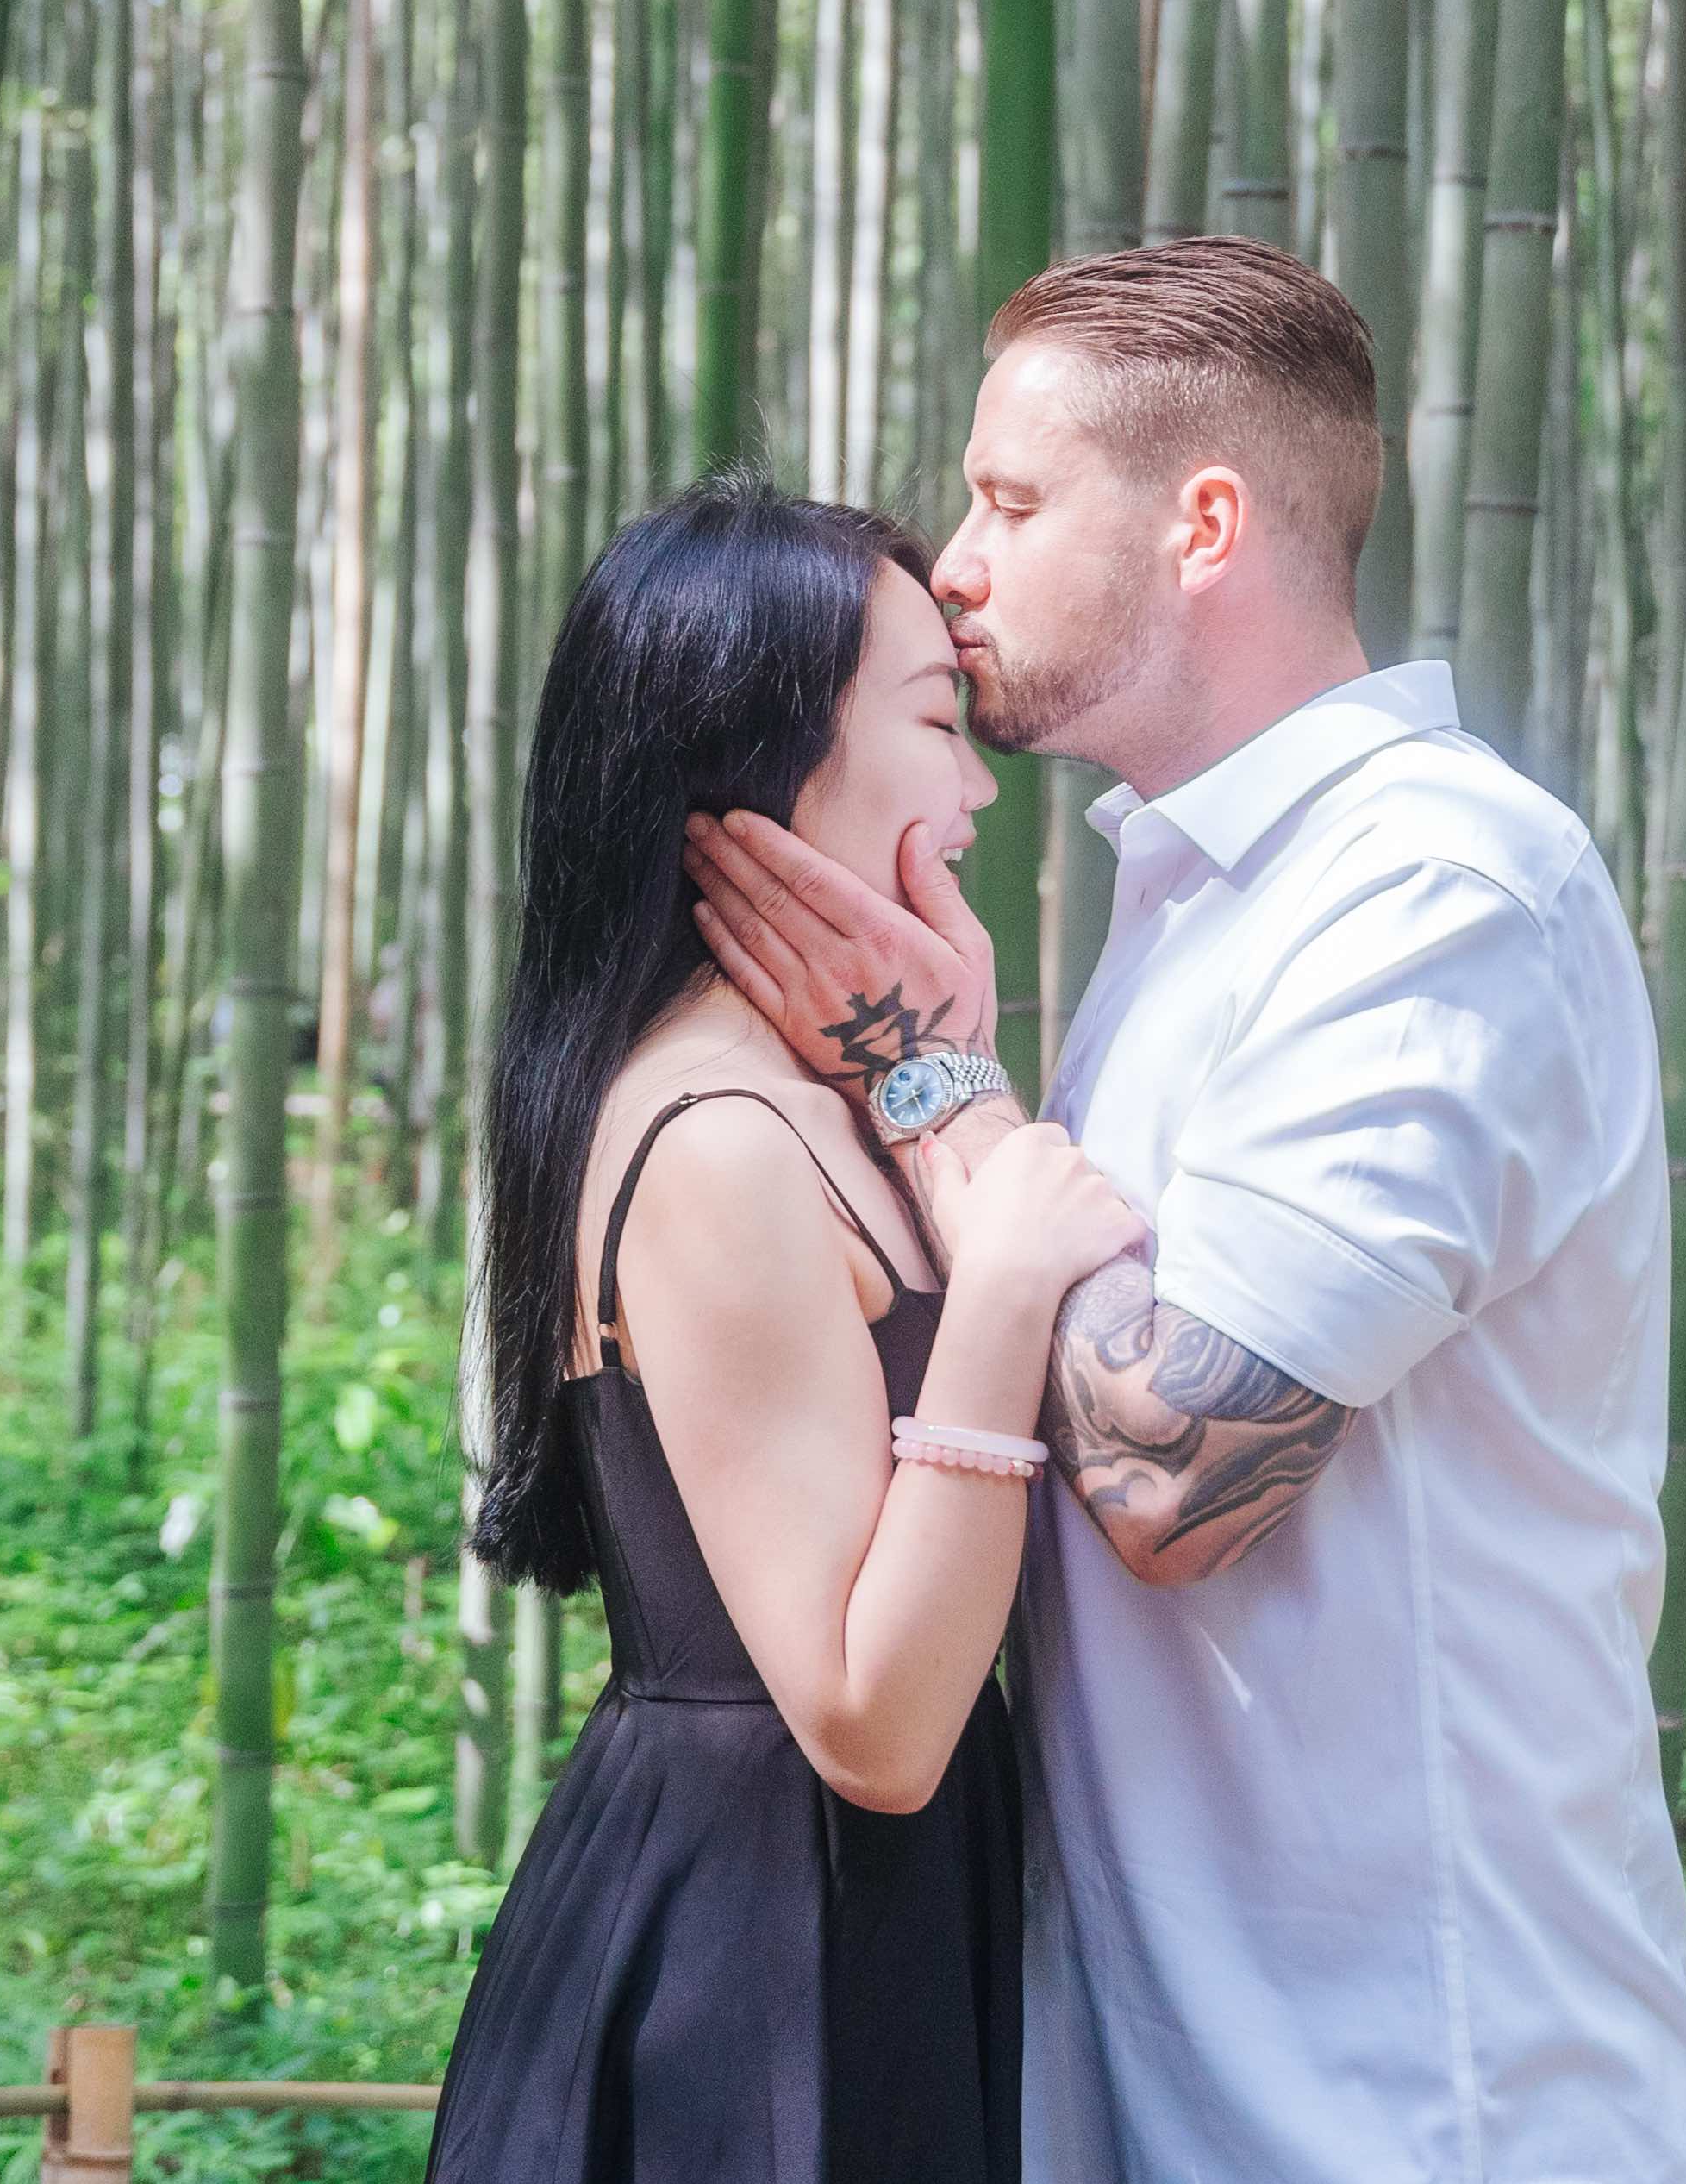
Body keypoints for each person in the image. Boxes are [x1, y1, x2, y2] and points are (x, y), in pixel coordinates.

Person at [686, 237, 1686, 2181]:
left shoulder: (1437, 886)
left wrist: (925, 1076)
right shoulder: (1194, 901)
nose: (955, 567)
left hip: (1427, 2099)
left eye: (1008, 500)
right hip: (1171, 2071)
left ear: (1206, 523)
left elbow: (1176, 1466)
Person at [430, 479, 1151, 2184]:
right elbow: (869, 1718)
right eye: (933, 719)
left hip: (861, 1909)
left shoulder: (820, 1095)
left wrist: (935, 1060)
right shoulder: (716, 1145)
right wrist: (999, 1291)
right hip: (753, 1958)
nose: (979, 787)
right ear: (755, 749)